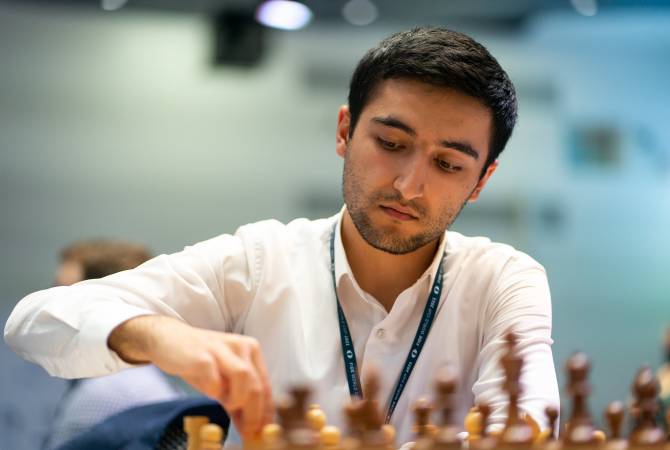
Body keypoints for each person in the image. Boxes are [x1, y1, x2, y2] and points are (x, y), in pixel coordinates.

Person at [5, 26, 559, 445]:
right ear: (344, 130)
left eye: (448, 164)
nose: (409, 185)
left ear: (482, 180)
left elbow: (529, 425)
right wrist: (161, 336)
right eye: (391, 144)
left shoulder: (503, 281)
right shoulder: (260, 262)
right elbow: (34, 323)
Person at [45, 240, 186, 449]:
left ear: (102, 306)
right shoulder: (135, 381)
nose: (44, 308)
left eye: (61, 294)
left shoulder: (107, 392)